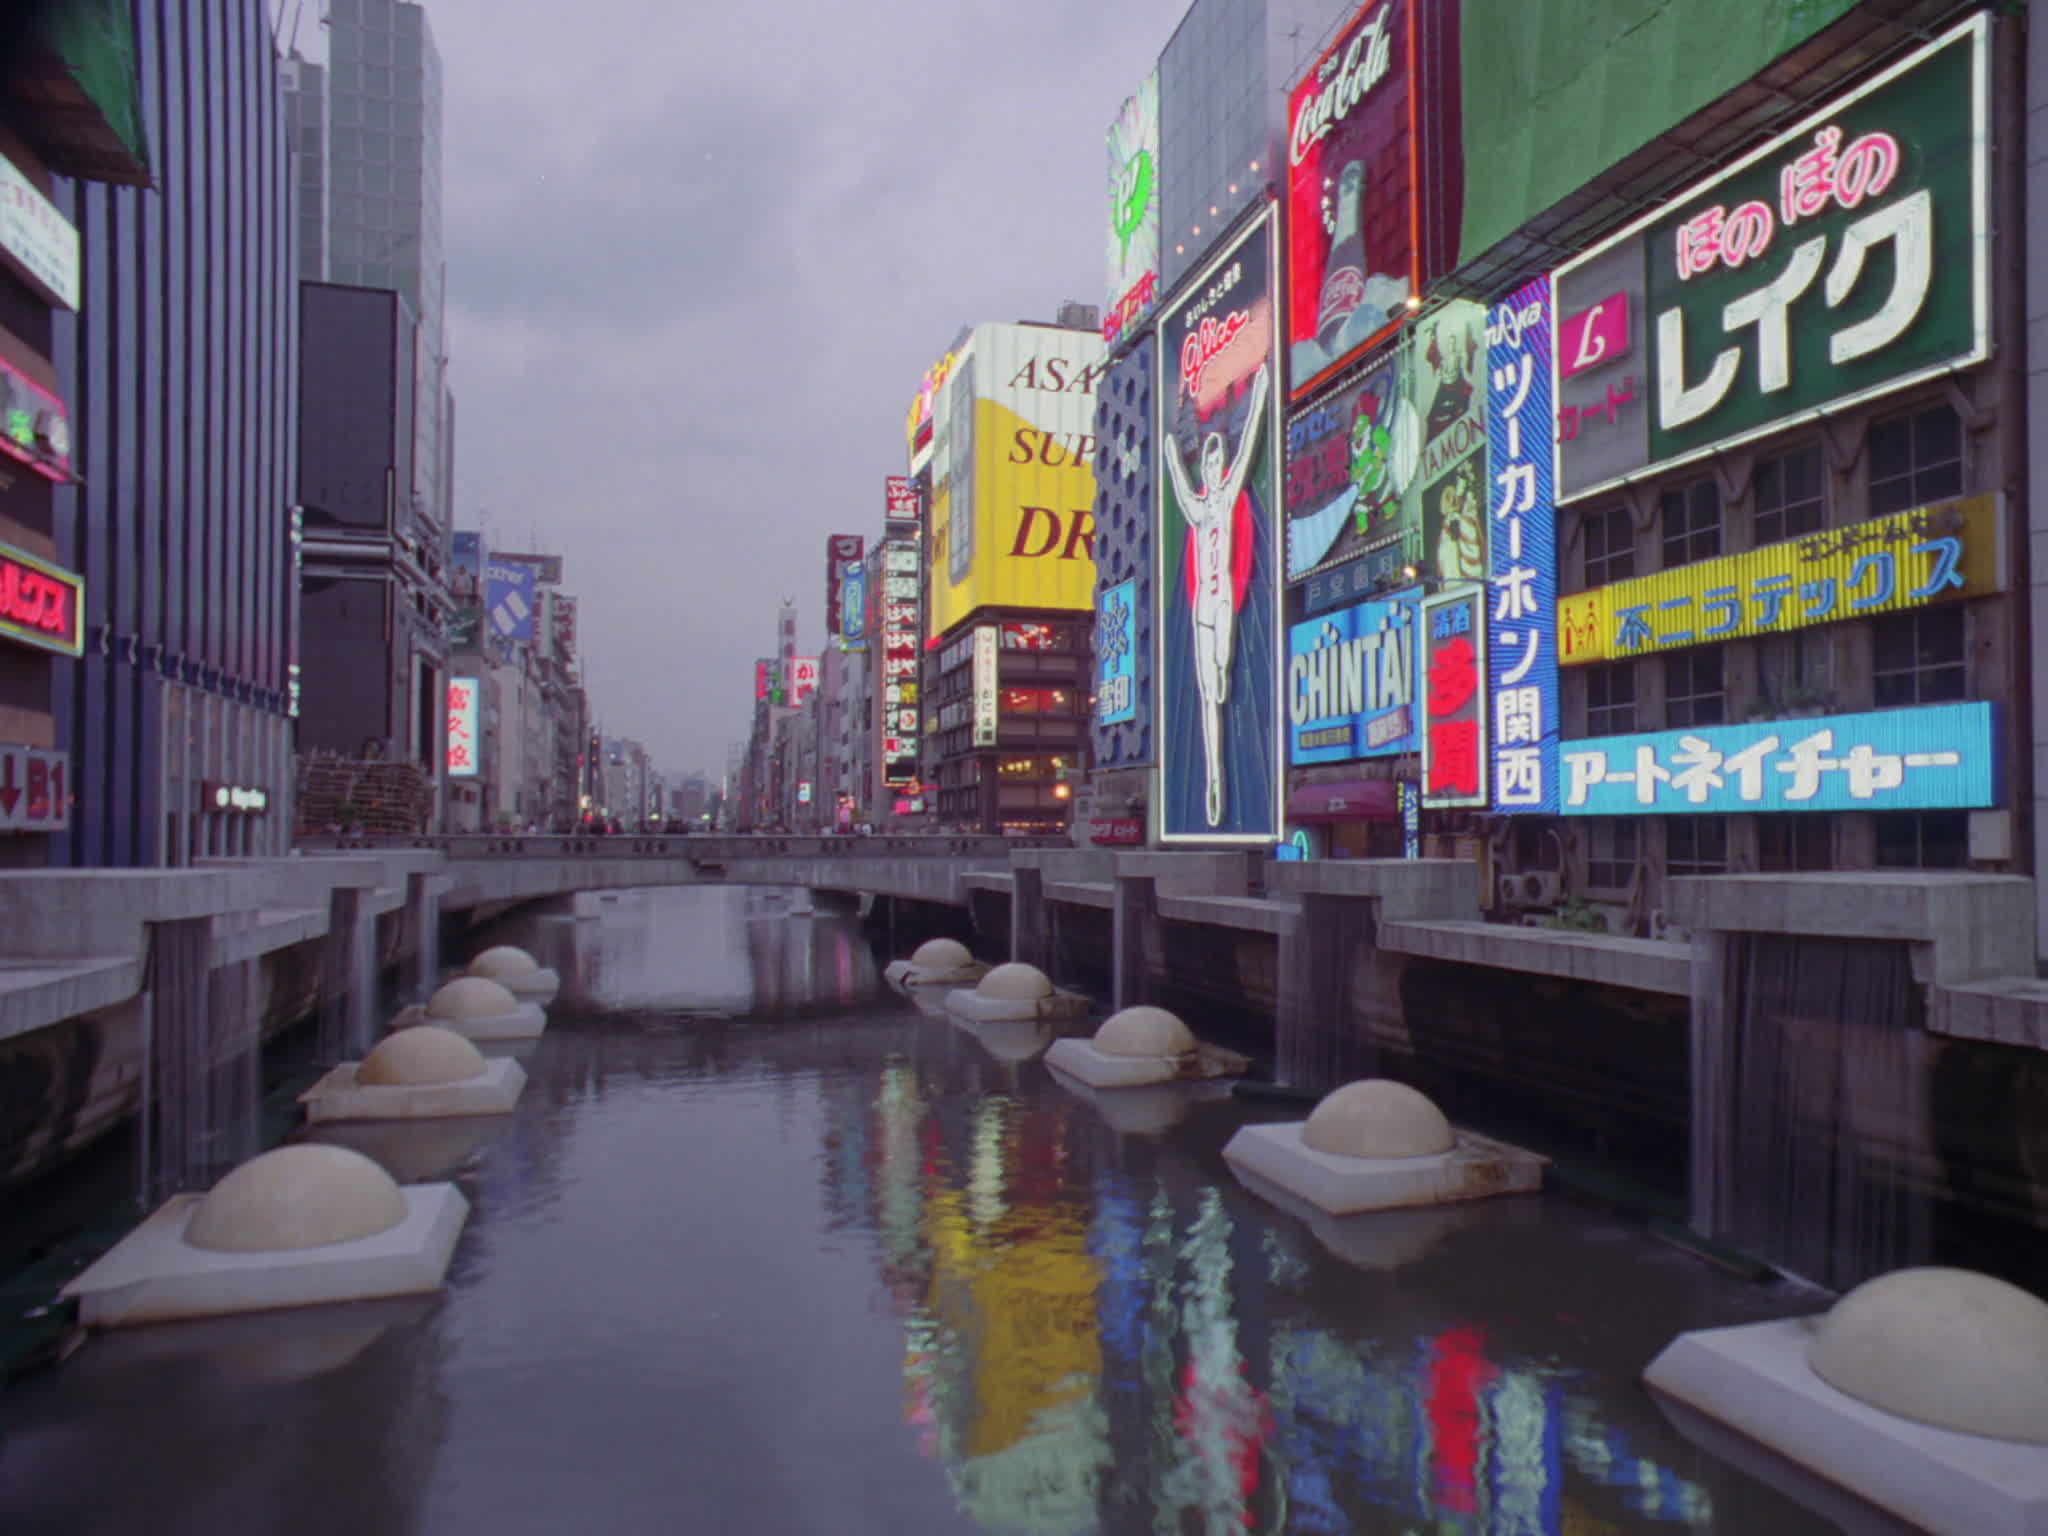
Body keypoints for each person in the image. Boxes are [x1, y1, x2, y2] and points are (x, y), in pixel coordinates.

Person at [1161, 363, 1270, 828]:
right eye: (1206, 461)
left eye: (1214, 459)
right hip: (1201, 605)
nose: (1212, 465)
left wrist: (1262, 390)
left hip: (1224, 595)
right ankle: (1213, 781)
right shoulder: (1200, 509)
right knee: (1208, 692)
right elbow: (1180, 487)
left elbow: (1246, 451)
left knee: (1221, 676)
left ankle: (1218, 780)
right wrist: (1168, 449)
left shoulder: (1225, 501)